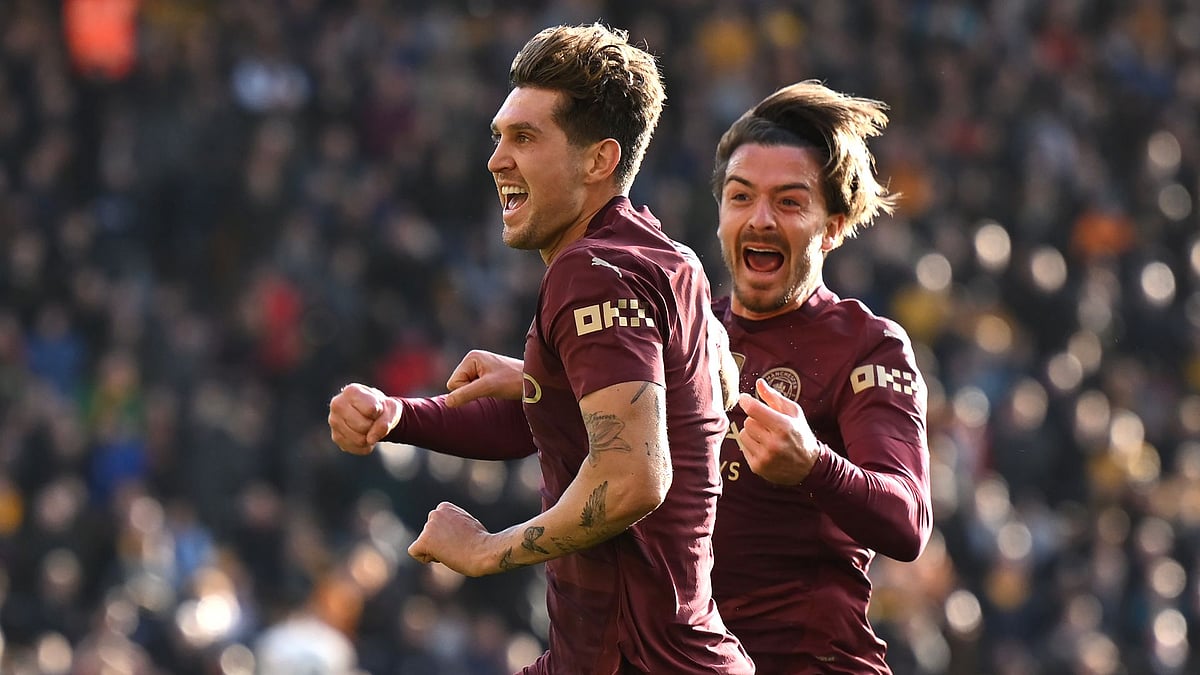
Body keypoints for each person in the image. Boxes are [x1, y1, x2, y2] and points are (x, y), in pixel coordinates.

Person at [360, 80, 936, 673]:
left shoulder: (868, 347)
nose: (760, 219)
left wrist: (815, 465)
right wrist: (403, 416)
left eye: (789, 202)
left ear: (834, 225)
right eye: (741, 198)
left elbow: (907, 519)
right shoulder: (694, 324)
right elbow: (552, 427)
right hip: (666, 651)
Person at [328, 23, 753, 675]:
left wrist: (484, 549)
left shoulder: (591, 275)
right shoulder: (667, 258)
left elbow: (634, 474)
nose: (497, 158)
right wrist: (403, 416)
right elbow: (698, 397)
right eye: (499, 135)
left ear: (598, 160)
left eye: (524, 137)